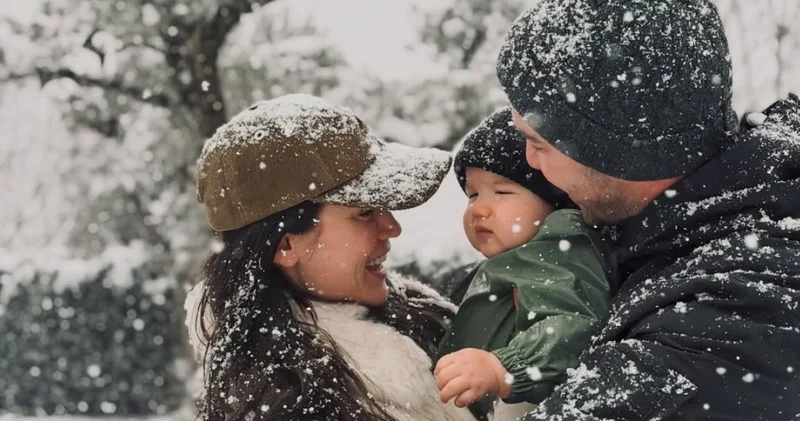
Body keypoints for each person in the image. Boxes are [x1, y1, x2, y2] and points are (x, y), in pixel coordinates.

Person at [496, 0, 800, 419]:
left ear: (617, 154)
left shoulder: (715, 335)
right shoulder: (719, 208)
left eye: (539, 143)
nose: (530, 161)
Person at [183, 94, 476, 421]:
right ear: (286, 247)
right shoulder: (289, 407)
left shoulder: (425, 319)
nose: (392, 227)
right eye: (365, 213)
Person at [435, 107, 617, 421]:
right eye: (472, 194)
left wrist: (503, 368)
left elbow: (571, 324)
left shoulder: (560, 252)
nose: (479, 209)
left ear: (554, 200)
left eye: (502, 191)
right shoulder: (511, 262)